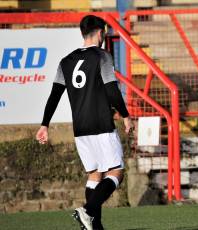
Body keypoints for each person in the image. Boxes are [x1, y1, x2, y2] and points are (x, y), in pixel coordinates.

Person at [36, 15, 132, 230]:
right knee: (116, 171)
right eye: (104, 32)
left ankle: (94, 226)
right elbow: (112, 91)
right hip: (101, 124)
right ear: (100, 32)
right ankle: (88, 211)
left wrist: (45, 125)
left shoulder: (66, 61)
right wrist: (126, 116)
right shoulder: (102, 56)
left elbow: (54, 95)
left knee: (94, 174)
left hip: (80, 128)